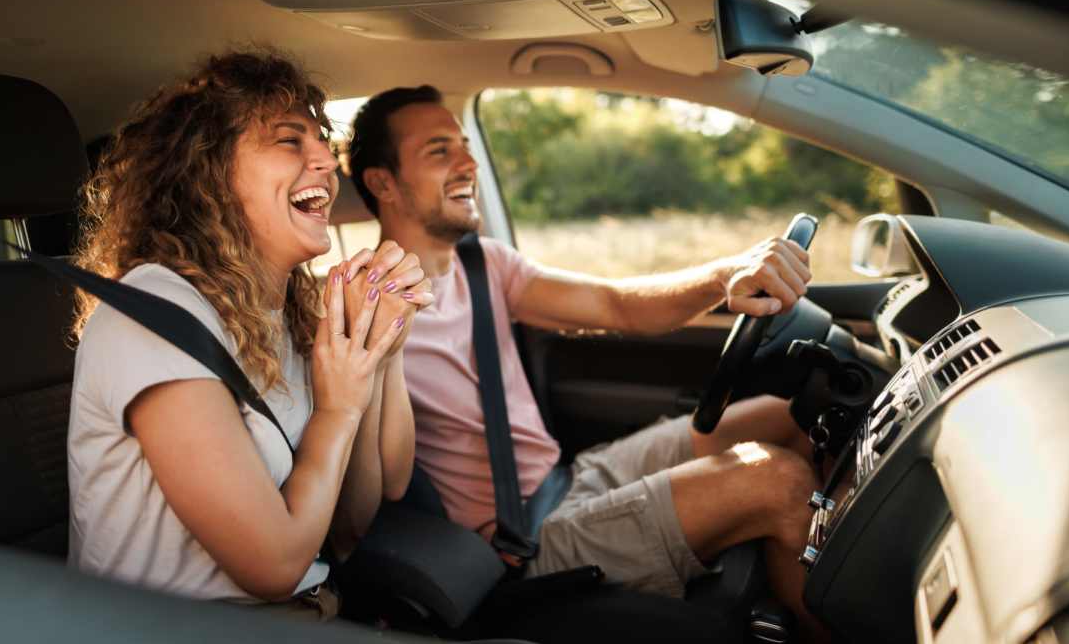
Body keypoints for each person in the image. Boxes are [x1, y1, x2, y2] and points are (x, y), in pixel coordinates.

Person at [346, 85, 826, 639]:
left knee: (790, 415)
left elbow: (614, 304)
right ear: (383, 182)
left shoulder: (484, 264)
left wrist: (726, 275)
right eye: (439, 150)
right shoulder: (361, 308)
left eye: (464, 144)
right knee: (778, 481)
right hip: (522, 539)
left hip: (574, 475)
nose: (468, 162)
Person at [66, 51, 431, 619]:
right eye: (290, 141)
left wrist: (379, 345)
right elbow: (274, 566)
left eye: (321, 140)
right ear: (206, 171)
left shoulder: (283, 312)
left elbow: (352, 524)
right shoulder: (154, 315)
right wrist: (335, 411)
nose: (327, 162)